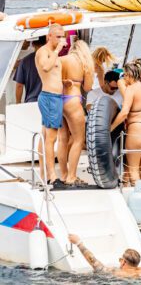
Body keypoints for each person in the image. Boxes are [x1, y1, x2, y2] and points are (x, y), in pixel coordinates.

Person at [110, 61, 141, 185]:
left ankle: (136, 202)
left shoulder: (131, 89)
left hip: (138, 128)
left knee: (133, 171)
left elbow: (124, 113)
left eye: (125, 75)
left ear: (129, 74)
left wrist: (110, 128)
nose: (124, 78)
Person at [57, 40, 94, 185]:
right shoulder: (84, 63)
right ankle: (72, 176)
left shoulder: (61, 60)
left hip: (59, 100)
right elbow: (88, 87)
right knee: (78, 139)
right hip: (73, 100)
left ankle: (64, 175)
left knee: (62, 139)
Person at [35, 24, 66, 186]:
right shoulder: (43, 52)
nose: (62, 39)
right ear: (49, 36)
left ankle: (43, 172)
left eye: (63, 36)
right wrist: (56, 51)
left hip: (55, 97)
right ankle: (52, 176)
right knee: (51, 137)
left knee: (46, 136)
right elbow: (46, 67)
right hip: (49, 97)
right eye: (58, 36)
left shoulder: (55, 55)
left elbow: (54, 75)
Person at [68, 234, 141, 277]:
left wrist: (78, 243)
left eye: (120, 259)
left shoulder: (117, 272)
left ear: (123, 261)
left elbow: (94, 262)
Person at [15, 36, 45, 103]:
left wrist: (18, 103)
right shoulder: (52, 59)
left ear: (33, 44)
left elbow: (19, 86)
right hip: (49, 101)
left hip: (31, 101)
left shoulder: (24, 61)